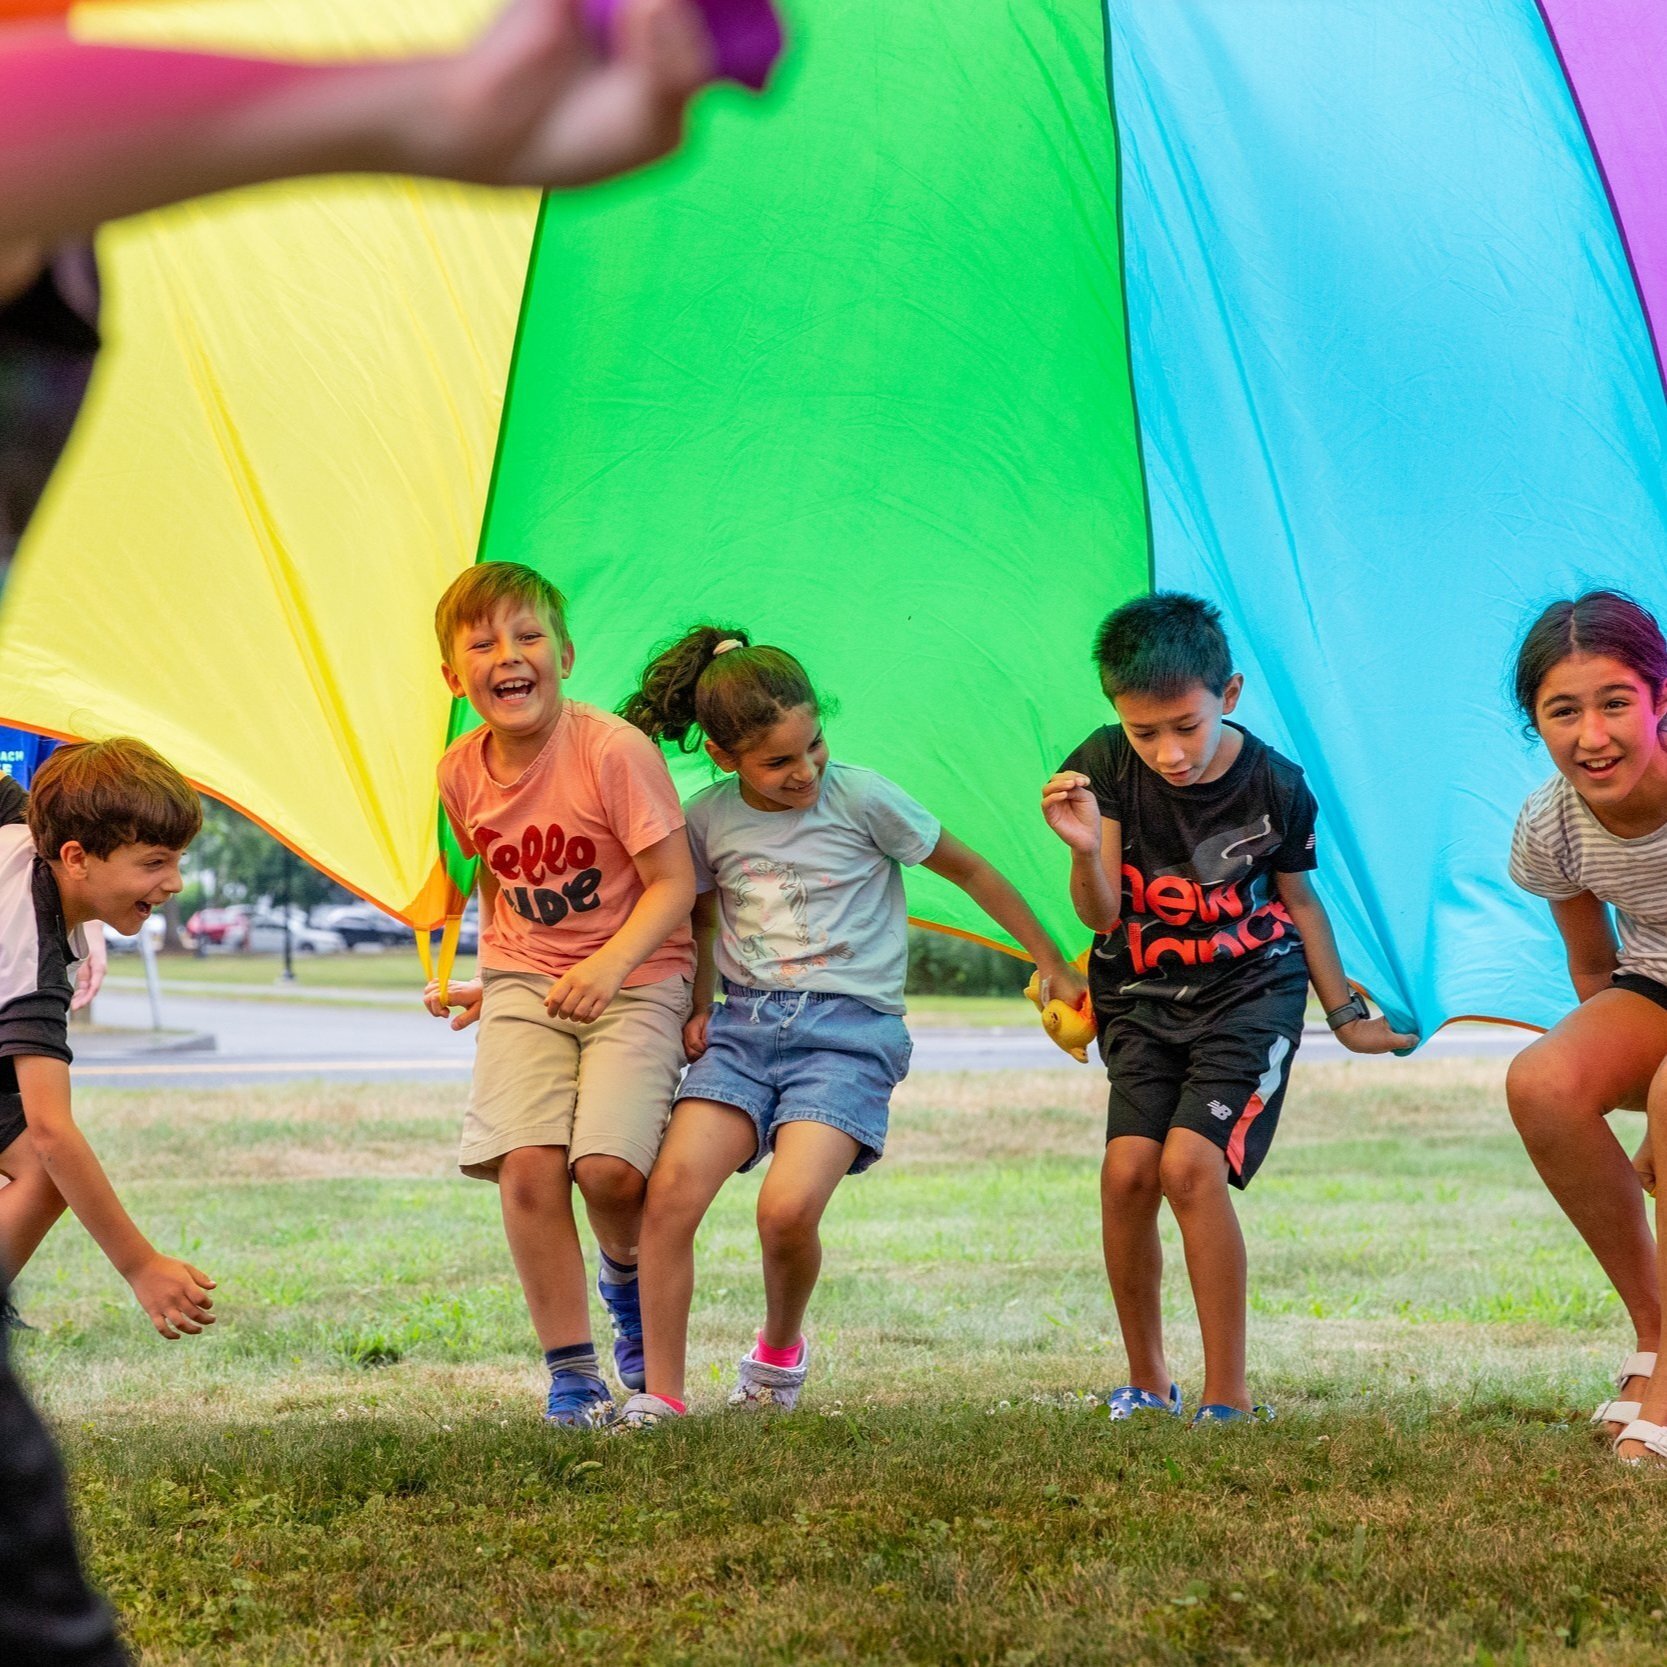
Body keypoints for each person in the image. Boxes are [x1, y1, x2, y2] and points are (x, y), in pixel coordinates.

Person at [614, 627, 1089, 1427]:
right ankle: (659, 1392)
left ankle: (778, 1351)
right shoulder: (705, 818)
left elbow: (971, 871)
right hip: (743, 1030)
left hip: (848, 1035)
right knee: (668, 1196)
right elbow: (699, 918)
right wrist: (700, 1005)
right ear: (727, 758)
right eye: (778, 761)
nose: (804, 771)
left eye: (813, 744)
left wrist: (1055, 962)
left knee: (785, 1210)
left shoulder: (863, 797)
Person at [1040, 593, 1413, 1424]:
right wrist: (1078, 849)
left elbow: (1302, 903)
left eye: (1185, 724)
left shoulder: (1276, 784)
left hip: (1249, 992)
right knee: (1126, 1173)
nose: (1167, 752)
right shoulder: (1098, 766)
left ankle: (1228, 1396)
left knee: (1189, 1166)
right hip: (1138, 995)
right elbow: (1100, 916)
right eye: (1144, 732)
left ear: (1229, 694)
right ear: (1115, 717)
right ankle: (1146, 1378)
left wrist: (1344, 1013)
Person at [423, 562, 697, 1428]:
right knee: (529, 1166)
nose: (509, 655)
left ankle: (623, 1274)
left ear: (566, 654)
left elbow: (673, 884)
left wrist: (607, 967)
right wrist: (496, 980)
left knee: (609, 1170)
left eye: (529, 635)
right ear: (453, 676)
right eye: (483, 643)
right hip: (525, 984)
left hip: (638, 977)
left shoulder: (612, 750)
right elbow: (501, 881)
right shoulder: (457, 772)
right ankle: (573, 1375)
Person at [1501, 592, 1667, 1463]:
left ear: (1658, 699)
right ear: (1534, 720)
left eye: (1614, 702)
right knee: (1539, 1080)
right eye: (1562, 710)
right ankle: (1653, 1334)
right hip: (1654, 985)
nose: (1591, 734)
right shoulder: (1550, 824)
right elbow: (1596, 970)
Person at [0, 738, 216, 1341]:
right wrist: (140, 1264)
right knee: (47, 1162)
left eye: (176, 860)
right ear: (75, 858)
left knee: (43, 1181)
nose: (174, 882)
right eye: (153, 863)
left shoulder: (26, 820)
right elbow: (51, 1131)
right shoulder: (35, 965)